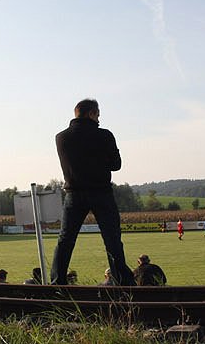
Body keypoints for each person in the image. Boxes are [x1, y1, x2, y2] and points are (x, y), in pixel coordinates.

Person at [53, 99, 136, 286]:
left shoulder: (61, 137)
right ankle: (122, 281)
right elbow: (116, 165)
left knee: (65, 240)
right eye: (98, 115)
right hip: (101, 193)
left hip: (74, 194)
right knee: (112, 240)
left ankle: (57, 281)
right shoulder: (105, 135)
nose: (99, 119)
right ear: (91, 113)